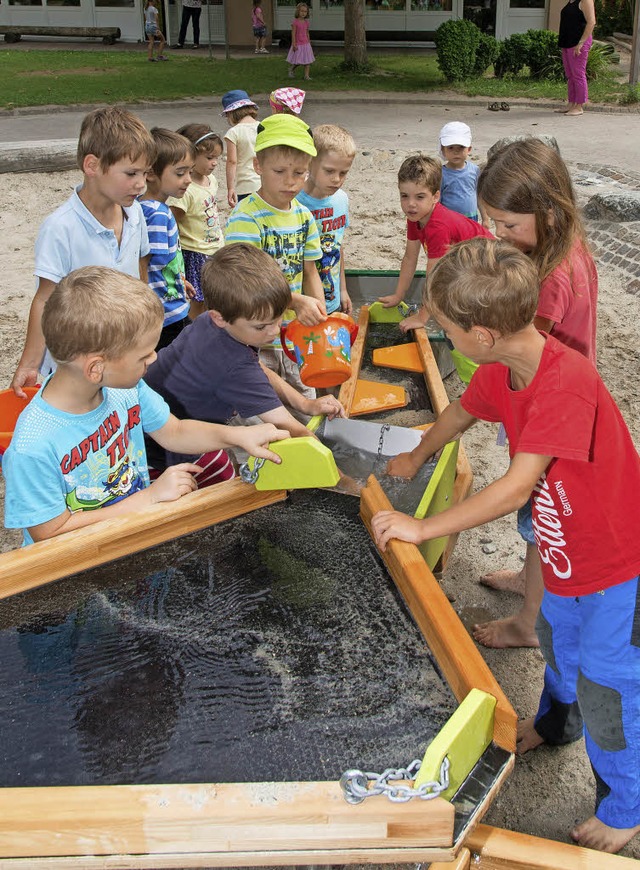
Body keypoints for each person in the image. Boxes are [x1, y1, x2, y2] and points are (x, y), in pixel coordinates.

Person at [373, 237, 640, 856]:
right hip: (566, 555)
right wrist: (418, 451)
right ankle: (555, 723)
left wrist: (423, 528)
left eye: (444, 326)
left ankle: (626, 806)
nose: (439, 333)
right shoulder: (505, 369)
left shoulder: (565, 381)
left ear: (481, 334)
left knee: (609, 682)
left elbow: (517, 484)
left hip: (617, 566)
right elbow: (463, 412)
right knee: (555, 640)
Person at [2, 267, 289, 546]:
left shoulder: (124, 388)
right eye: (144, 355)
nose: (153, 360)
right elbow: (49, 533)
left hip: (133, 534)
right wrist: (148, 499)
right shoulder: (32, 447)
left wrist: (237, 436)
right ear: (95, 368)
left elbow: (174, 431)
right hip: (80, 569)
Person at [472, 137, 599, 650]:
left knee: (544, 518)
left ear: (547, 210)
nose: (498, 235)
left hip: (549, 413)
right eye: (491, 223)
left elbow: (524, 348)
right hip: (565, 401)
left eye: (508, 225)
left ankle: (529, 622)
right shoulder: (567, 247)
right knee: (539, 517)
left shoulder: (547, 280)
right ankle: (530, 583)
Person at [144, 244, 345, 475]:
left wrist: (305, 404)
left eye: (278, 319)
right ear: (219, 318)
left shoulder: (212, 323)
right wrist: (345, 479)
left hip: (163, 421)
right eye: (261, 326)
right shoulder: (233, 365)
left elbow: (253, 366)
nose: (273, 332)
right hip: (161, 451)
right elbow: (294, 430)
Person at [10, 106, 154, 399]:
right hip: (77, 365)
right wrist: (29, 363)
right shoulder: (60, 228)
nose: (141, 183)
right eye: (131, 173)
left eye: (145, 173)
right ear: (92, 166)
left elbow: (141, 272)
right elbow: (45, 298)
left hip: (122, 357)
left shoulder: (135, 213)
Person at [225, 113, 324, 395]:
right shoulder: (247, 217)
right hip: (256, 340)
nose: (290, 182)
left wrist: (319, 316)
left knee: (306, 403)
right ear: (257, 166)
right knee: (263, 412)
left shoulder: (305, 217)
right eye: (279, 172)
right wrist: (296, 301)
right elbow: (244, 282)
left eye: (299, 173)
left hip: (296, 337)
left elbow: (310, 272)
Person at [377, 154, 492, 331]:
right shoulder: (415, 218)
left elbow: (435, 276)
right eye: (404, 196)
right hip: (466, 264)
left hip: (489, 265)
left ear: (436, 196)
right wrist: (398, 295)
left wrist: (422, 317)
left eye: (420, 197)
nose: (411, 204)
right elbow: (410, 257)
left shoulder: (438, 226)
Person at [139, 127, 196, 351]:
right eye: (180, 173)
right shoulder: (158, 214)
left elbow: (160, 267)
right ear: (151, 173)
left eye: (190, 172)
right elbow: (144, 263)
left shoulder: (145, 208)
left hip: (170, 303)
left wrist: (179, 281)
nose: (188, 180)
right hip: (167, 314)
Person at [297, 124, 356, 316]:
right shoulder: (295, 202)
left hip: (332, 299)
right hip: (302, 304)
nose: (337, 179)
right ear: (309, 162)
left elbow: (338, 246)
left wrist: (343, 290)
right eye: (329, 171)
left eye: (343, 173)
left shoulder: (341, 199)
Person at [166, 124, 224, 320]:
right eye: (209, 158)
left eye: (216, 158)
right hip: (195, 251)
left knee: (211, 296)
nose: (214, 163)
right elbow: (172, 221)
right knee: (196, 300)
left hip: (212, 248)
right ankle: (192, 331)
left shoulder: (212, 181)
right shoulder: (186, 191)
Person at [438, 121, 489, 227]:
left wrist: (485, 218)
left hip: (471, 219)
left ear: (469, 149)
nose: (456, 152)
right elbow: (437, 200)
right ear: (443, 150)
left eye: (461, 147)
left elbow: (479, 196)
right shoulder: (441, 174)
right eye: (451, 147)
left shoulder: (474, 170)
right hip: (449, 220)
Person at [221, 89, 261, 209]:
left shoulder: (234, 132)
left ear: (231, 113)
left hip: (246, 185)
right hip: (265, 181)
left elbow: (232, 161)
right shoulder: (263, 127)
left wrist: (230, 188)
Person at [557, 0, 596, 116]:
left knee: (578, 74)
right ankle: (571, 103)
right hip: (567, 42)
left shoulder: (585, 1)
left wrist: (581, 43)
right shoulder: (570, 1)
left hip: (578, 43)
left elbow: (591, 22)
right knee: (570, 75)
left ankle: (579, 106)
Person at [287, 3, 315, 81]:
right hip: (298, 44)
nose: (303, 13)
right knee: (298, 61)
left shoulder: (306, 22)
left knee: (307, 61)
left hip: (306, 44)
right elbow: (293, 34)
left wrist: (309, 41)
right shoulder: (295, 22)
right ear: (298, 11)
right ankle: (291, 69)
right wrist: (294, 43)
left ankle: (306, 76)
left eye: (305, 11)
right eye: (302, 11)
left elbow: (307, 32)